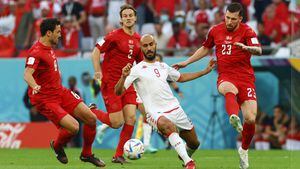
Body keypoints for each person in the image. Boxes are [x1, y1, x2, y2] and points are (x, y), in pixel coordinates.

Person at [173, 2, 262, 169]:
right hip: (226, 75)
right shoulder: (215, 30)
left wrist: (246, 47)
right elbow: (205, 49)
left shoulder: (248, 31)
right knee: (228, 89)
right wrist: (187, 62)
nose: (229, 21)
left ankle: (243, 150)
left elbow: (259, 50)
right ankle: (233, 117)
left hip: (246, 78)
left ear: (240, 18)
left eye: (233, 19)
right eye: (227, 17)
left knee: (250, 118)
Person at [115, 34, 216, 169]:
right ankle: (188, 162)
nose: (149, 48)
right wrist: (123, 77)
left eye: (151, 44)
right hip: (155, 112)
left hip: (175, 108)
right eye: (145, 46)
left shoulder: (163, 66)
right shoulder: (136, 69)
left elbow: (181, 77)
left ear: (155, 45)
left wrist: (204, 71)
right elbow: (118, 91)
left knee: (194, 143)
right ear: (141, 48)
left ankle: (184, 154)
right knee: (168, 126)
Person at [23, 18, 105, 167]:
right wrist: (34, 85)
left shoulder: (49, 47)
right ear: (49, 33)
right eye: (58, 32)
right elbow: (27, 74)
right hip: (46, 99)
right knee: (74, 127)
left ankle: (86, 154)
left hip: (60, 92)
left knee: (91, 119)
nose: (60, 35)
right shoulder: (35, 52)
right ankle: (57, 146)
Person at [91, 4, 143, 163]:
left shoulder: (139, 40)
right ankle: (92, 111)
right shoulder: (113, 35)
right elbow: (96, 51)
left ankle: (118, 155)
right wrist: (97, 70)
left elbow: (141, 64)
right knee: (116, 122)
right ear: (121, 20)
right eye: (125, 16)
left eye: (130, 15)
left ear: (135, 18)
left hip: (127, 84)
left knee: (131, 119)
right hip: (111, 83)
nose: (128, 18)